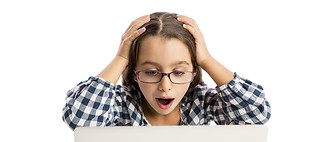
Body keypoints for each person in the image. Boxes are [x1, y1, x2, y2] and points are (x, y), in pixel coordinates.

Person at [62, 12, 271, 130]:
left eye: (178, 72)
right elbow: (79, 119)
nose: (165, 87)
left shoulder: (204, 103)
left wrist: (207, 59)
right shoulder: (120, 104)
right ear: (134, 72)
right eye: (151, 72)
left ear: (193, 72)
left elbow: (257, 114)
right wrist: (121, 58)